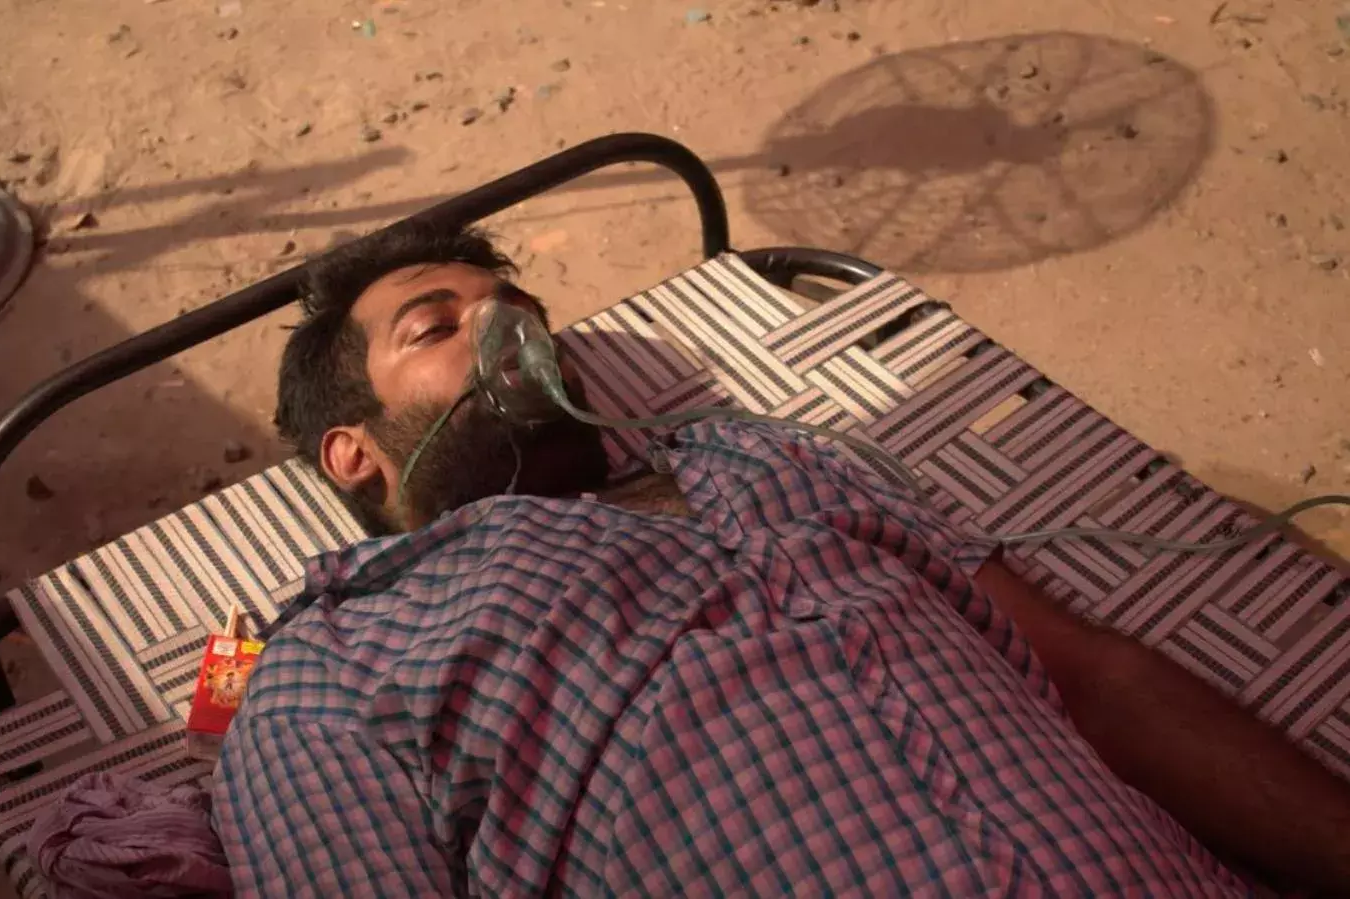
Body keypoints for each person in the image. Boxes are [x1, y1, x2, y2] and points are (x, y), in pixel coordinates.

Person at [214, 221, 1350, 897]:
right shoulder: (329, 668)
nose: (509, 328)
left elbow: (1097, 680)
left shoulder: (759, 455)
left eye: (518, 307)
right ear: (354, 454)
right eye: (436, 326)